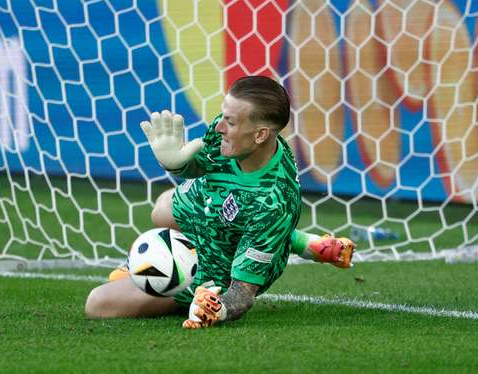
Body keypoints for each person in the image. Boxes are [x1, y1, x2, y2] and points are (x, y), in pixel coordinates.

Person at [85, 76, 355, 328]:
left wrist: (218, 308)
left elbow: (243, 293)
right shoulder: (235, 130)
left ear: (261, 134)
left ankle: (190, 269)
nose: (219, 127)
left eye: (231, 122)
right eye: (223, 116)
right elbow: (200, 164)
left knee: (97, 303)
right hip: (214, 205)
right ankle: (299, 240)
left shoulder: (273, 202)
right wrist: (176, 164)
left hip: (219, 267)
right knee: (163, 208)